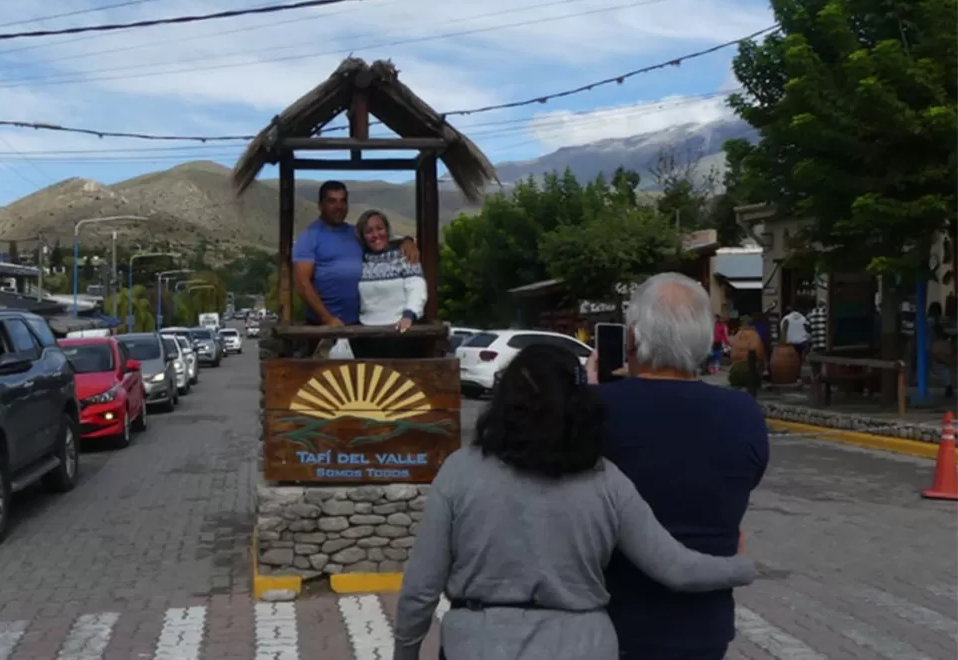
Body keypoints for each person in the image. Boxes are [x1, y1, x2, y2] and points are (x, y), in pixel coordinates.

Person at [394, 343, 758, 660]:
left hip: (478, 644)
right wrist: (741, 566)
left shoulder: (461, 471)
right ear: (581, 405)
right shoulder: (606, 482)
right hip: (585, 644)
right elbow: (675, 568)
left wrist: (405, 653)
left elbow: (420, 589)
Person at [588, 273, 769, 660]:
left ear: (632, 338)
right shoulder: (744, 414)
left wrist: (587, 396)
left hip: (610, 623)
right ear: (706, 340)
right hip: (703, 626)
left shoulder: (594, 411)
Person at [291, 181, 418, 329]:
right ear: (320, 206)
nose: (338, 206)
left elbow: (381, 243)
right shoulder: (309, 237)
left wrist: (407, 241)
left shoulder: (355, 233)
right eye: (332, 201)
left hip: (359, 323)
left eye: (343, 201)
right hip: (323, 326)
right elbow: (302, 284)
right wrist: (328, 319)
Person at [354, 209, 426, 358]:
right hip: (366, 335)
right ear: (363, 236)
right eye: (369, 231)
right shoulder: (359, 260)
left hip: (400, 334)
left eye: (379, 228)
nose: (375, 235)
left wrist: (409, 315)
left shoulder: (405, 255)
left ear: (387, 230)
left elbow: (417, 288)